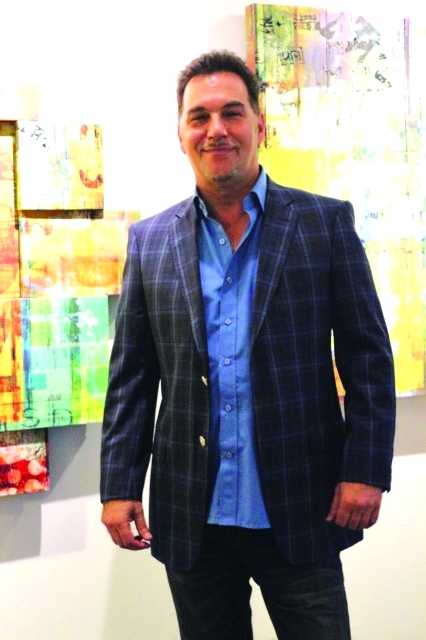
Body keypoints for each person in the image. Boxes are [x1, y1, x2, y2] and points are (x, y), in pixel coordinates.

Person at [101, 50, 396, 640]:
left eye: (232, 113)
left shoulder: (324, 224)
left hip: (302, 504)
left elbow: (367, 358)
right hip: (193, 514)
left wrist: (366, 470)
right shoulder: (150, 240)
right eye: (199, 116)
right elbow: (132, 376)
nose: (216, 129)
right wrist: (119, 484)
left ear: (260, 125)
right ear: (181, 134)